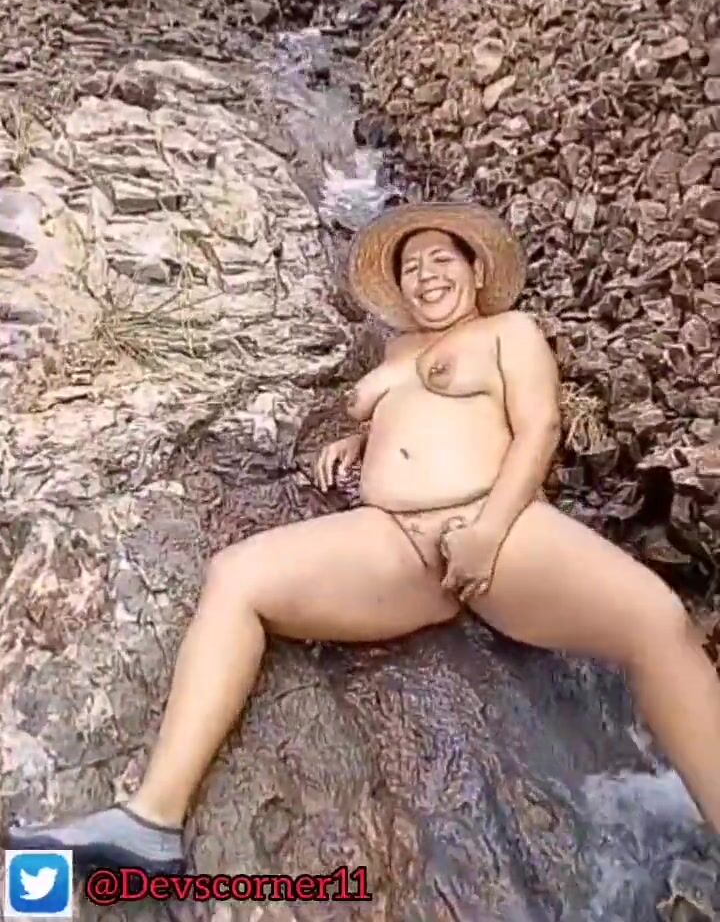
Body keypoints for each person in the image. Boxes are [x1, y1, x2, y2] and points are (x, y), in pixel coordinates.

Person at [6, 202, 720, 874]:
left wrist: (489, 530)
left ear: (476, 271)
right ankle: (152, 818)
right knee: (236, 576)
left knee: (658, 621)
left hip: (496, 528)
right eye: (411, 267)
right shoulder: (397, 346)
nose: (426, 275)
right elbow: (412, 415)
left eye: (442, 259)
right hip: (393, 542)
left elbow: (539, 428)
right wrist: (359, 441)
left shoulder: (510, 332)